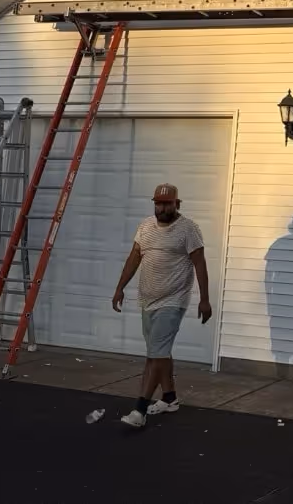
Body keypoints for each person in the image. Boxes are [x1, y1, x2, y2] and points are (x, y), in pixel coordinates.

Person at [112, 182, 212, 428]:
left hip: (173, 300)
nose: (162, 208)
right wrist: (120, 287)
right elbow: (134, 257)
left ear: (177, 204)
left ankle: (140, 410)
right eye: (158, 203)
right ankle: (169, 398)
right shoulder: (146, 226)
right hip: (148, 300)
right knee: (159, 352)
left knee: (154, 356)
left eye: (167, 204)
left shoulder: (188, 229)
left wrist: (204, 299)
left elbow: (200, 263)